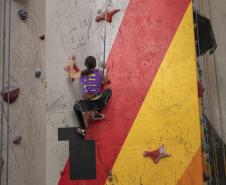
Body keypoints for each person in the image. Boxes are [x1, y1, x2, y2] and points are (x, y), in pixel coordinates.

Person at [73, 56, 112, 136]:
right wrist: (105, 70)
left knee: (75, 106)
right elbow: (107, 82)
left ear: (85, 65)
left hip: (86, 104)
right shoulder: (99, 72)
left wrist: (72, 60)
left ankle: (83, 129)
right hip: (98, 102)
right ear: (95, 64)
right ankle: (96, 112)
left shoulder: (82, 74)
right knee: (108, 91)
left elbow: (72, 74)